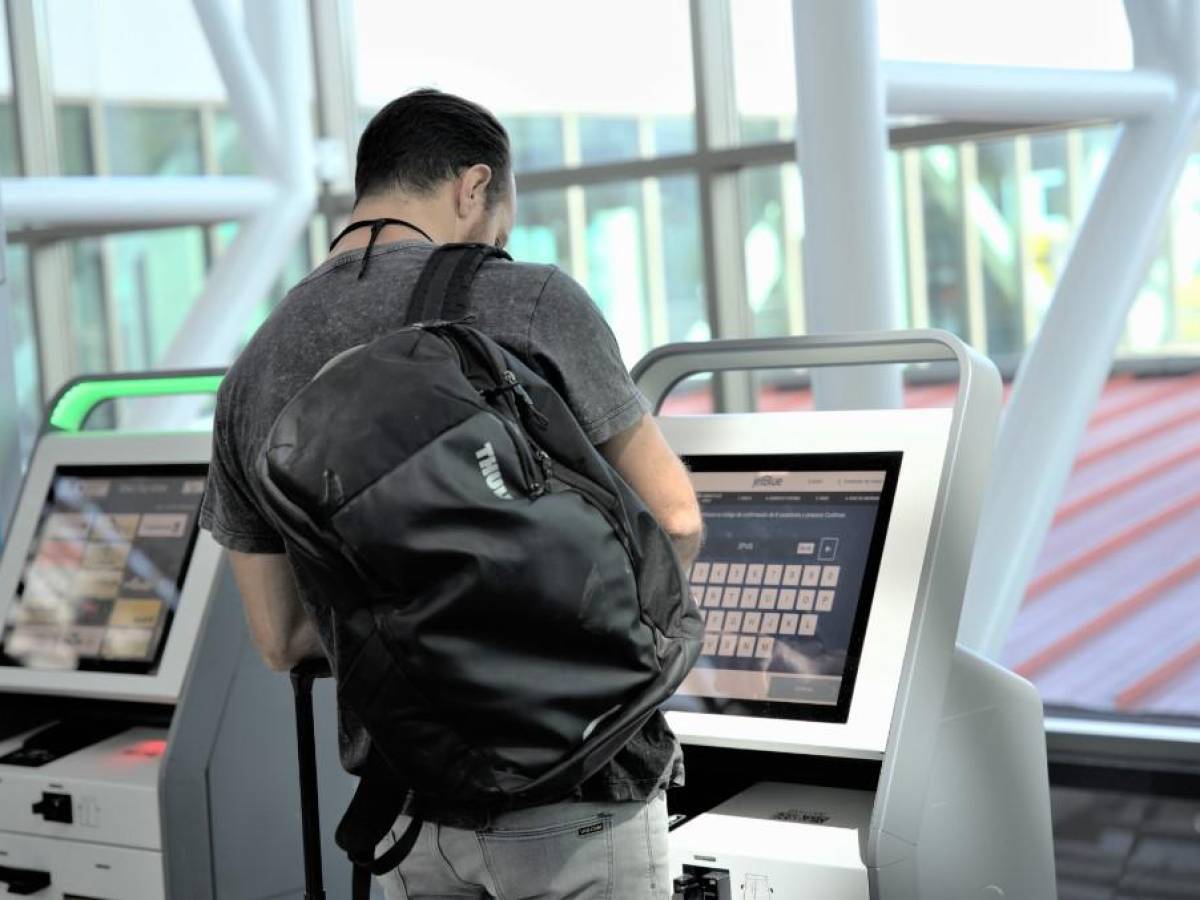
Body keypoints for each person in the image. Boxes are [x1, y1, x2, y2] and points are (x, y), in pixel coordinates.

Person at [199, 88, 703, 900]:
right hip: (583, 794)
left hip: (413, 817)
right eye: (502, 218)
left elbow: (282, 636)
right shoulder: (529, 299)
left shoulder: (254, 369)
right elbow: (673, 518)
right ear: (474, 187)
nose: (500, 241)